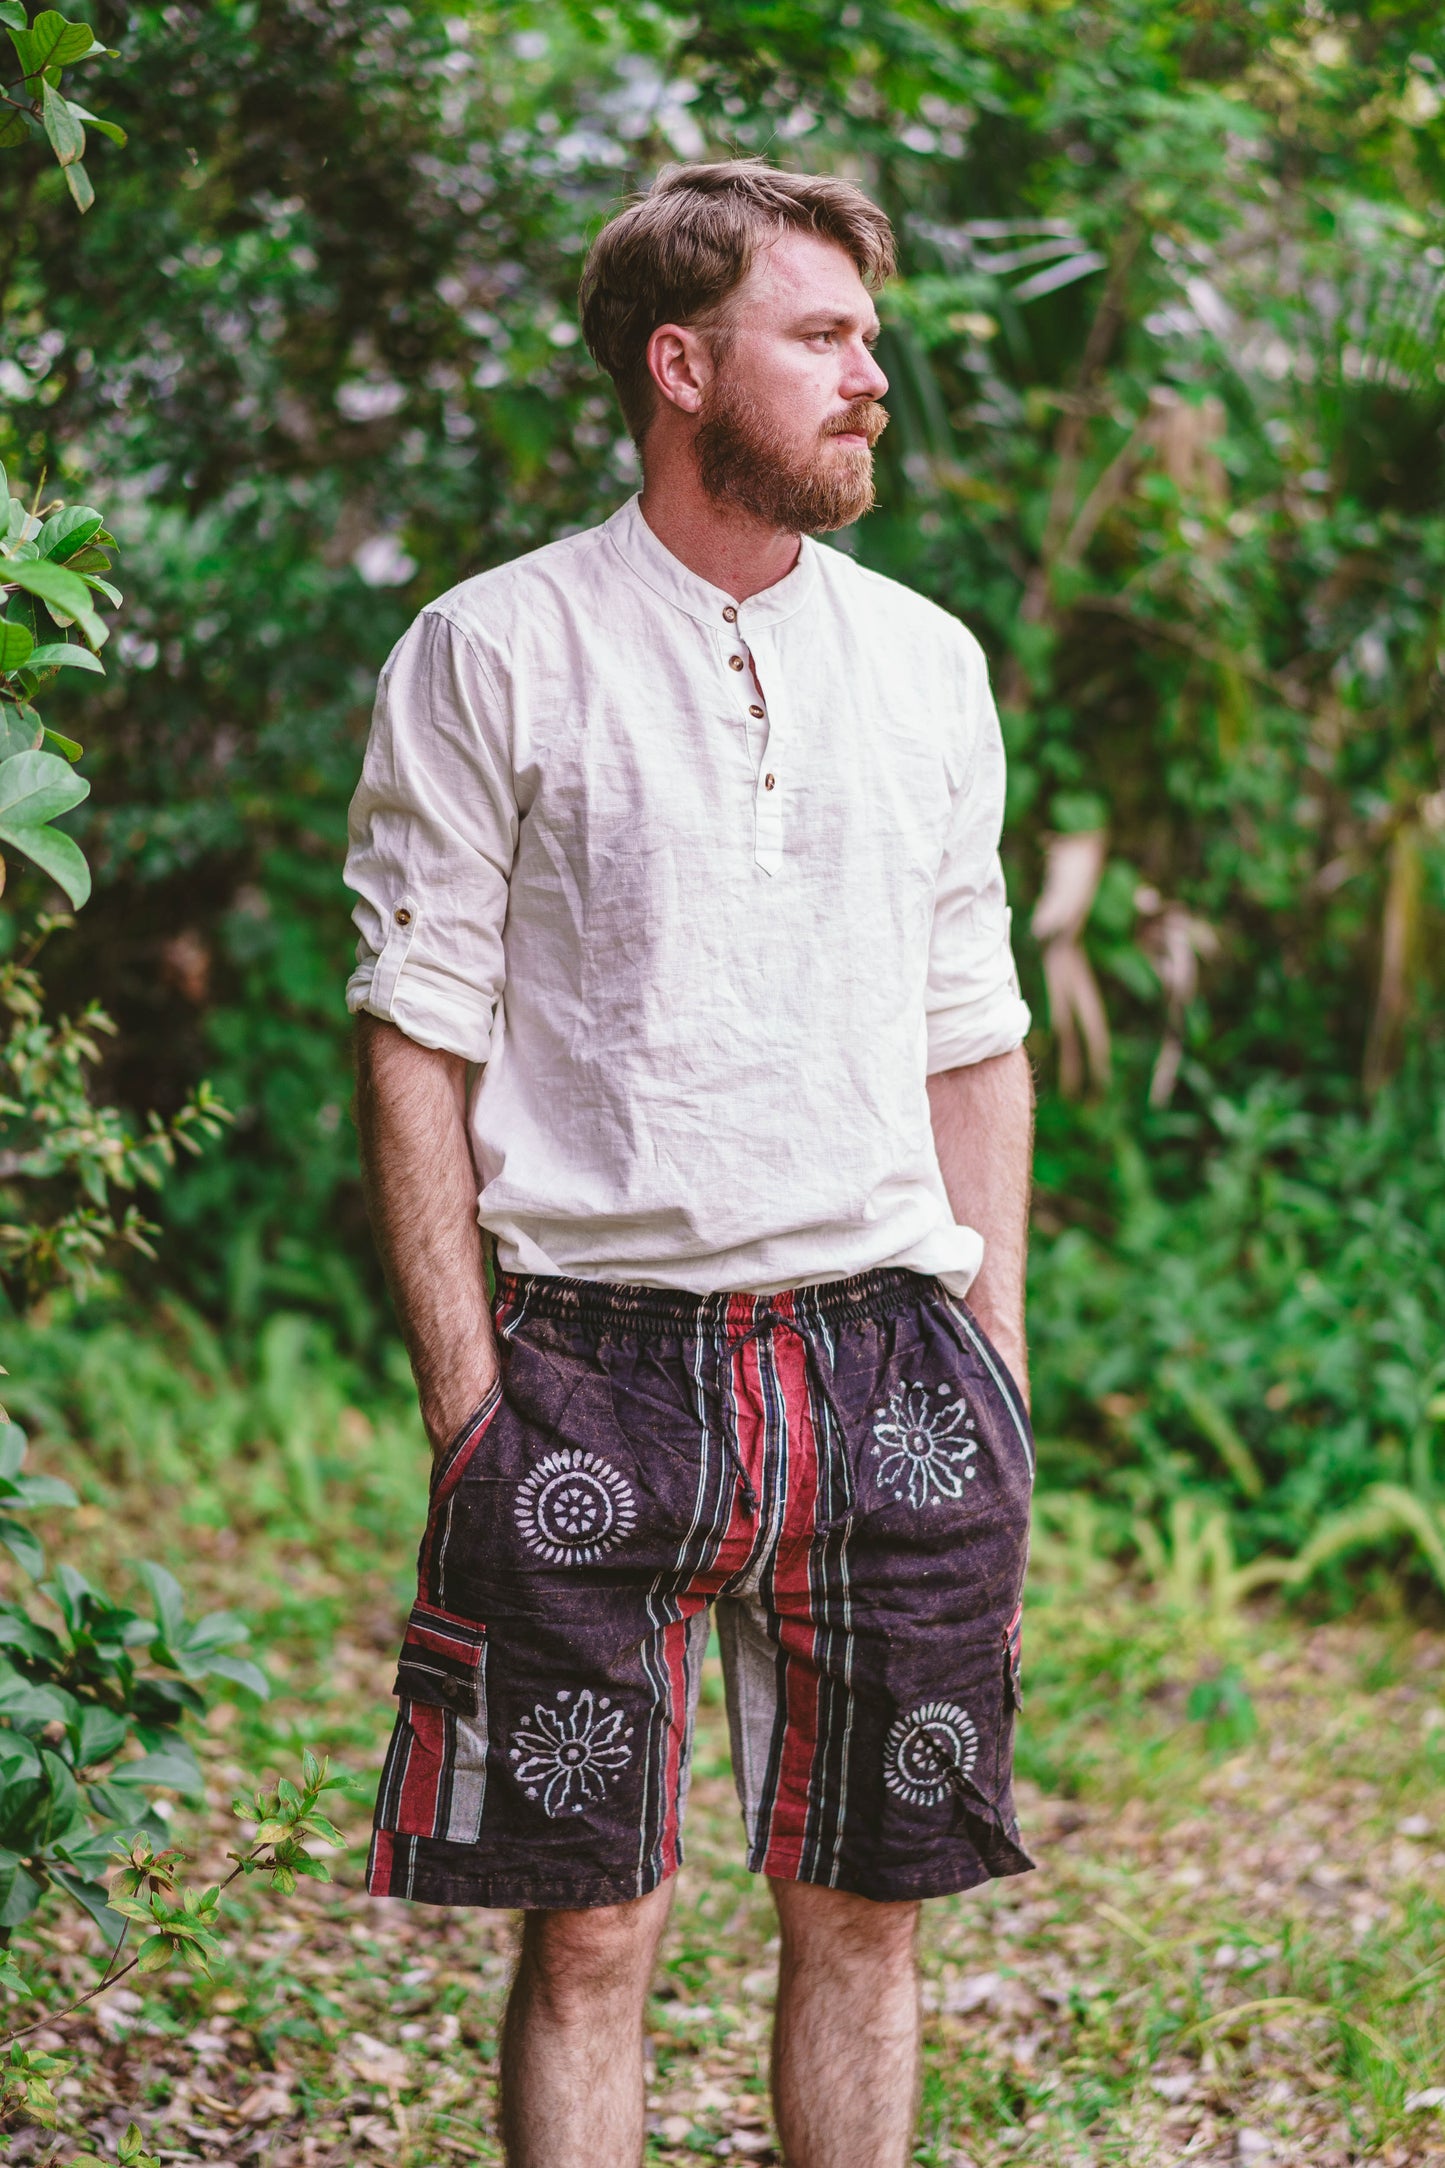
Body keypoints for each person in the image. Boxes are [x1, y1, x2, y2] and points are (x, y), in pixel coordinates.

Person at [345, 158, 1035, 2168]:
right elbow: (414, 1031)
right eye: (822, 335)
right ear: (680, 362)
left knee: (867, 1916)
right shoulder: (496, 650)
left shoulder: (926, 665)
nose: (870, 377)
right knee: (592, 1932)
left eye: (869, 339)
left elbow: (970, 1028)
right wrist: (469, 1392)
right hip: (587, 1360)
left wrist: (993, 1346)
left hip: (893, 1369)